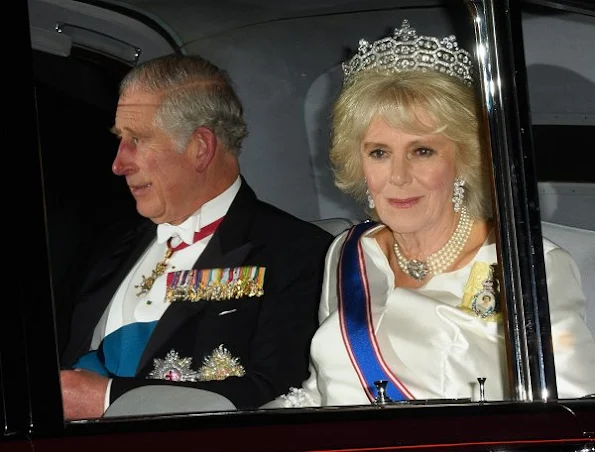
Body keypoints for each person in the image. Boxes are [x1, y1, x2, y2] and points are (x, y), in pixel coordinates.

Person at [265, 20, 595, 407]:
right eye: (379, 153)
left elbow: (571, 413)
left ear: (464, 158)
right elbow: (319, 393)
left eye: (422, 151)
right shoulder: (348, 253)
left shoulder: (526, 264)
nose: (399, 177)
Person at [59, 53, 334, 420]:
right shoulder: (109, 245)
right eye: (120, 139)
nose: (118, 163)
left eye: (137, 139)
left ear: (200, 148)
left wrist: (110, 399)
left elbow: (279, 396)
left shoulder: (298, 252)